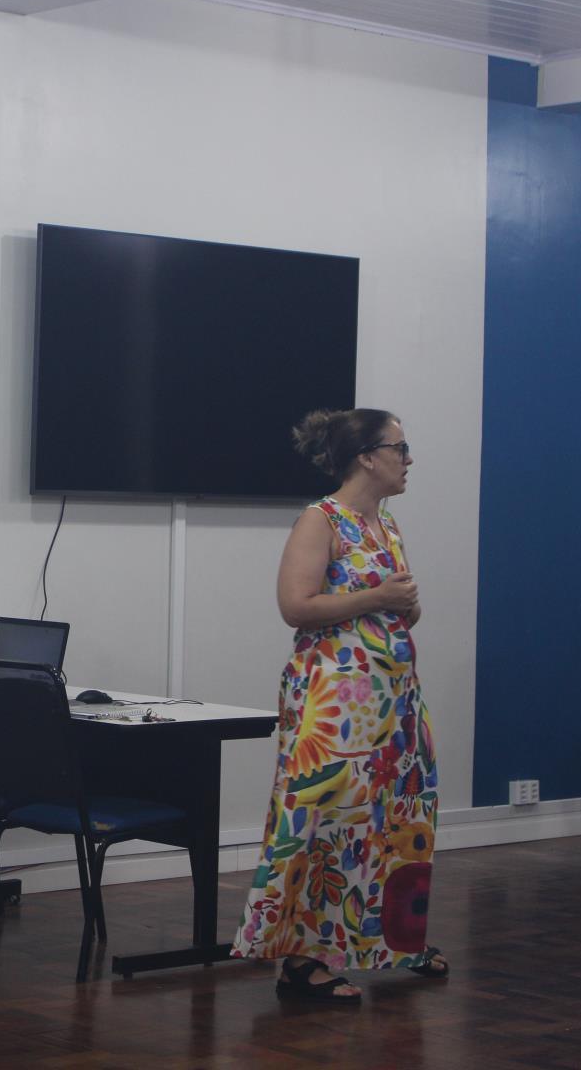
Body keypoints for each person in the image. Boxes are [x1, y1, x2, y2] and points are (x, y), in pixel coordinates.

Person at [230, 408, 447, 1002]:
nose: (408, 459)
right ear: (367, 457)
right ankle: (303, 962)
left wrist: (402, 604)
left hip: (393, 703)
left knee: (395, 824)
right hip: (335, 707)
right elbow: (296, 606)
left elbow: (392, 609)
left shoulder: (386, 523)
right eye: (400, 448)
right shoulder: (320, 520)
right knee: (325, 824)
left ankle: (393, 940)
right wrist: (378, 596)